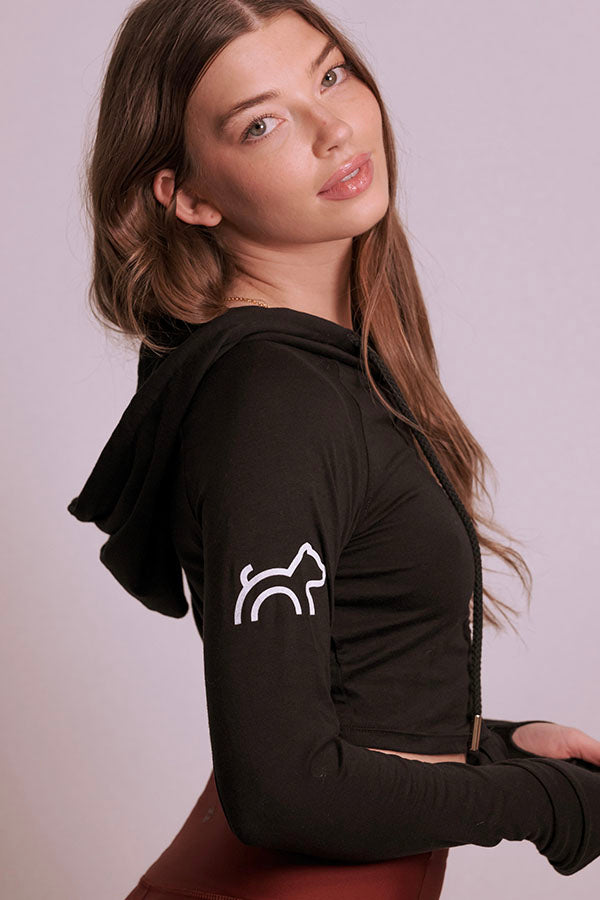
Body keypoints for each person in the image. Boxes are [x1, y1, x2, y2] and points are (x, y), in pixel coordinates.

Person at [67, 1, 600, 897]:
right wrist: (540, 802)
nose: (333, 128)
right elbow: (284, 790)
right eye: (261, 123)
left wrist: (492, 745)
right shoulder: (272, 398)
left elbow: (341, 699)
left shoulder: (317, 371)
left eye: (330, 74)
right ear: (189, 196)